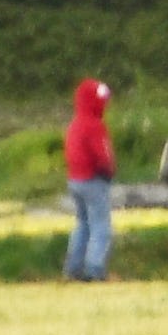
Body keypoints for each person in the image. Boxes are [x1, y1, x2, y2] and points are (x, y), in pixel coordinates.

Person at [63, 77, 116, 281]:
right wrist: (109, 170)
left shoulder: (75, 124)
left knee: (82, 224)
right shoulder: (95, 126)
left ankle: (73, 268)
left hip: (75, 180)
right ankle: (95, 268)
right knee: (101, 225)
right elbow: (103, 154)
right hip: (93, 180)